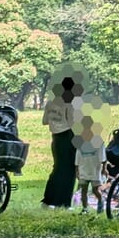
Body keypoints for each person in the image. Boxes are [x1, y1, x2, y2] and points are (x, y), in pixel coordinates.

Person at [41, 76, 81, 207]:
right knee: (69, 170)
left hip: (56, 138)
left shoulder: (51, 102)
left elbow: (45, 121)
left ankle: (48, 200)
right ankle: (63, 202)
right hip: (69, 136)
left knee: (57, 168)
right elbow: (74, 122)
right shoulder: (70, 102)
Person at [75, 117, 106, 214]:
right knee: (83, 190)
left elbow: (103, 157)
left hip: (95, 169)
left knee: (95, 190)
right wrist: (77, 170)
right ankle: (85, 209)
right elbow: (77, 157)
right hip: (83, 168)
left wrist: (104, 169)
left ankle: (101, 201)